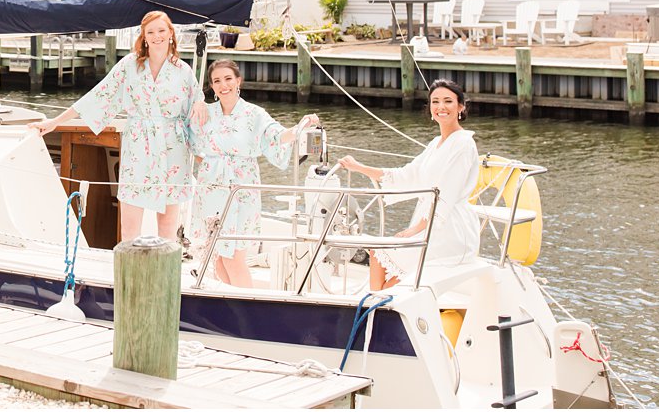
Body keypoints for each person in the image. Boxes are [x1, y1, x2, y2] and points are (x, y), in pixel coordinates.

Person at [29, 10, 206, 243]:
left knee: (168, 228)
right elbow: (97, 97)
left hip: (173, 149)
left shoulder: (183, 71)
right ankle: (126, 275)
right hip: (138, 147)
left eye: (162, 30)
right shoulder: (130, 66)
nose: (157, 36)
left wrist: (203, 107)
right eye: (150, 32)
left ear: (171, 33)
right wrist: (55, 122)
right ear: (143, 36)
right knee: (130, 227)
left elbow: (197, 110)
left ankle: (168, 275)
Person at [337, 79, 480, 289]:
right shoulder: (436, 144)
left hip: (448, 230)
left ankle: (377, 309)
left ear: (460, 107)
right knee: (377, 253)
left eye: (448, 101)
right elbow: (407, 175)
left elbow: (447, 194)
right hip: (428, 225)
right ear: (430, 108)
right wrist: (359, 167)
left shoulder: (464, 143)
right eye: (435, 102)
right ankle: (375, 309)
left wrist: (415, 230)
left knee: (393, 283)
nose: (441, 107)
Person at [189, 59, 318, 287]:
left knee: (234, 256)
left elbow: (276, 136)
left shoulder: (254, 114)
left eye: (228, 78)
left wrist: (301, 127)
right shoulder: (206, 113)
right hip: (211, 188)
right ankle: (229, 308)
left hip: (241, 189)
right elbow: (189, 142)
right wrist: (197, 103)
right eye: (217, 81)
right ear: (211, 85)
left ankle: (245, 312)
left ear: (238, 81)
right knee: (217, 256)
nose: (223, 85)